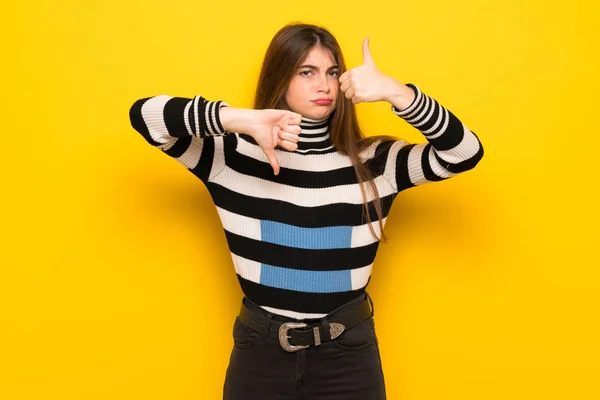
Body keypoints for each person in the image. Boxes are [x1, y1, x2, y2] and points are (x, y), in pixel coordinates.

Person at [128, 22, 483, 400]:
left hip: (348, 354)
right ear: (280, 77)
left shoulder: (376, 161)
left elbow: (464, 153)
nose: (325, 86)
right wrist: (240, 120)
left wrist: (398, 94)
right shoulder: (230, 157)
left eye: (332, 72)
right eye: (306, 72)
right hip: (260, 352)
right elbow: (145, 117)